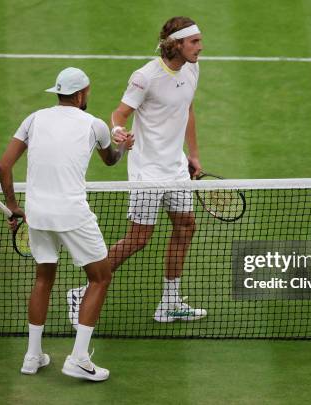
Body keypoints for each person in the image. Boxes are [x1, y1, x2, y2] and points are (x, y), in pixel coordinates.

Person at [68, 16, 206, 325]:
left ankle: (169, 303)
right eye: (194, 41)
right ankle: (81, 291)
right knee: (139, 238)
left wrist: (193, 155)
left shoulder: (193, 68)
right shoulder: (145, 77)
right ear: (177, 44)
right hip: (148, 171)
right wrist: (118, 131)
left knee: (186, 228)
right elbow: (120, 113)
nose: (200, 46)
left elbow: (188, 109)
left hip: (176, 167)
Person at [0, 67, 132, 381]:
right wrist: (125, 147)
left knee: (44, 278)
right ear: (82, 93)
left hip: (38, 213)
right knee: (100, 277)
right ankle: (79, 357)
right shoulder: (95, 124)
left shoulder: (34, 119)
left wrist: (15, 207)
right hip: (71, 213)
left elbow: (3, 165)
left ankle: (33, 356)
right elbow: (110, 160)